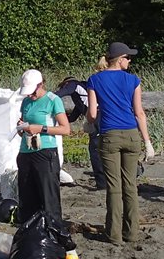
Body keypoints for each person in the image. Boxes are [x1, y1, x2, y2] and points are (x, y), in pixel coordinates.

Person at [87, 42, 155, 244]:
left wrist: (89, 122)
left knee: (114, 187)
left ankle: (114, 234)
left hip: (110, 135)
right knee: (130, 185)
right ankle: (132, 232)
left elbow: (92, 114)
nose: (130, 61)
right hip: (132, 134)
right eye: (128, 57)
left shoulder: (95, 79)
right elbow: (139, 113)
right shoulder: (133, 80)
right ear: (120, 59)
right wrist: (148, 142)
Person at [15, 68, 71, 223]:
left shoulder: (53, 100)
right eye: (27, 93)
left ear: (40, 85)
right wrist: (22, 127)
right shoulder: (26, 101)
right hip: (26, 151)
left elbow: (65, 129)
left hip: (45, 152)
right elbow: (23, 124)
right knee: (27, 199)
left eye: (32, 92)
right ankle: (30, 233)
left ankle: (53, 231)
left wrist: (41, 129)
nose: (30, 96)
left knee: (48, 199)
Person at [54, 54, 108, 190]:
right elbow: (73, 117)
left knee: (95, 149)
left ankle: (102, 183)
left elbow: (62, 93)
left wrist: (47, 97)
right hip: (99, 116)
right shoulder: (79, 96)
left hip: (98, 116)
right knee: (102, 146)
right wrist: (59, 117)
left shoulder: (74, 84)